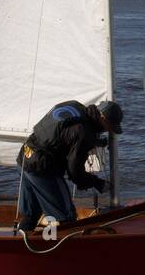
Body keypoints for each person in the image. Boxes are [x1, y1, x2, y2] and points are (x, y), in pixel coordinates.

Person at [15, 100, 121, 233]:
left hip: (25, 157)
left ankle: (21, 240)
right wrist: (96, 182)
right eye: (110, 126)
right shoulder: (83, 133)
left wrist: (95, 141)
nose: (109, 130)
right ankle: (64, 249)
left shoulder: (76, 106)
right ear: (103, 118)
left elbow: (63, 133)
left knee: (32, 213)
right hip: (42, 168)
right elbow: (74, 171)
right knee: (66, 216)